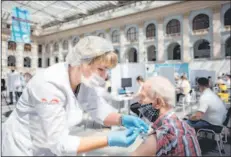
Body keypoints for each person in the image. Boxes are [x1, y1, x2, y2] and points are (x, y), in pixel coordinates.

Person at [2, 36, 149, 156]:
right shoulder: (49, 84)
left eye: (107, 70)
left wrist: (122, 119)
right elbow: (60, 143)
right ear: (80, 63)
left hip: (49, 145)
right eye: (101, 69)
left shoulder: (82, 81)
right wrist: (109, 139)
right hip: (24, 146)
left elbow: (98, 109)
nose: (105, 76)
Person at [131, 76, 201, 156]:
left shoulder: (162, 135)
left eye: (143, 97)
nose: (139, 102)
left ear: (158, 103)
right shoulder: (186, 127)